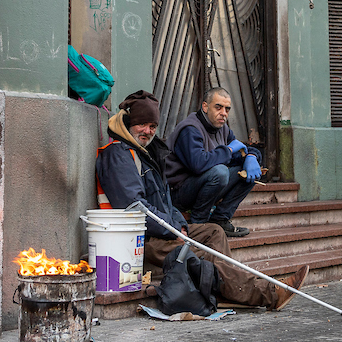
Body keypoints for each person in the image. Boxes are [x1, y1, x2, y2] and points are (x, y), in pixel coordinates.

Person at [95, 90, 307, 310]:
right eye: (142, 125)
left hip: (164, 229)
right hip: (142, 240)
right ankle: (269, 293)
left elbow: (165, 201)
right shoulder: (118, 155)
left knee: (214, 231)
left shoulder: (145, 154)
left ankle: (225, 289)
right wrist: (173, 231)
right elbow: (136, 208)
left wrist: (180, 224)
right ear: (129, 123)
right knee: (206, 254)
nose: (147, 131)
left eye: (152, 126)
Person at [165, 87, 259, 238]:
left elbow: (241, 150)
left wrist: (251, 157)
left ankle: (220, 218)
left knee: (251, 171)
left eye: (227, 109)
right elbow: (198, 164)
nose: (224, 113)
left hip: (203, 188)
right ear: (205, 106)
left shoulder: (223, 128)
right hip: (179, 192)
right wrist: (228, 150)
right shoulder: (190, 129)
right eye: (218, 107)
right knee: (220, 172)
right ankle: (199, 223)